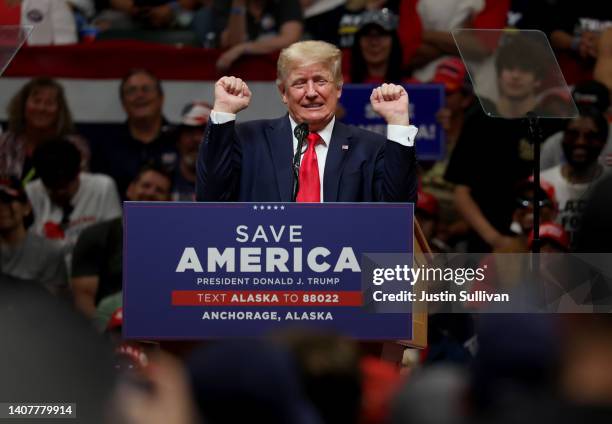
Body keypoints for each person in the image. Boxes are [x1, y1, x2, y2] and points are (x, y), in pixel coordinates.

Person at [197, 40, 418, 203]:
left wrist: (398, 122)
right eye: (300, 83)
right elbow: (210, 197)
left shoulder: (371, 148)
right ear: (283, 92)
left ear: (338, 88)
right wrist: (224, 112)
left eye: (320, 81)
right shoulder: (247, 140)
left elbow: (399, 212)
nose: (311, 92)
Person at [72, 164, 172, 319]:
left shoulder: (176, 240)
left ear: (169, 201)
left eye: (160, 190)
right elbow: (84, 298)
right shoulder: (96, 235)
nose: (151, 193)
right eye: (146, 186)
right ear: (130, 189)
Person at [25, 139, 122, 266]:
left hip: (92, 272)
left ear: (78, 172)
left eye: (65, 185)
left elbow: (115, 243)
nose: (60, 192)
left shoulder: (102, 187)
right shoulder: (32, 192)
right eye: (53, 187)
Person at [89, 68, 178, 197]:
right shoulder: (106, 145)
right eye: (131, 91)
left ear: (161, 98)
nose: (139, 95)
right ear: (123, 102)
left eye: (146, 89)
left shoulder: (178, 140)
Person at [541, 106, 609, 244]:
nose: (580, 142)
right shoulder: (541, 182)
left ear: (603, 141)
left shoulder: (608, 185)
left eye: (591, 136)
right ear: (563, 137)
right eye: (573, 134)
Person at [0, 77, 89, 182]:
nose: (42, 108)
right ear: (22, 106)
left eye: (49, 103)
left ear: (59, 111)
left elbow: (81, 191)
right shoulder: (6, 142)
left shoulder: (75, 146)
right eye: (36, 101)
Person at [0, 177, 68, 292]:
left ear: (26, 207)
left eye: (7, 200)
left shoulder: (50, 252)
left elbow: (54, 303)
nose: (1, 207)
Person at [213, 0, 303, 71]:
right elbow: (234, 43)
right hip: (241, 75)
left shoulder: (287, 2)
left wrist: (243, 48)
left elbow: (289, 39)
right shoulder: (228, 3)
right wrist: (239, 3)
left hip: (278, 74)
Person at [349, 8, 403, 84]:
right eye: (367, 34)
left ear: (394, 41)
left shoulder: (414, 87)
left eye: (382, 34)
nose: (374, 43)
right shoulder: (340, 87)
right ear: (357, 42)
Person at [173, 101, 210, 201]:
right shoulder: (162, 180)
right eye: (189, 131)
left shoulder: (231, 184)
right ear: (178, 140)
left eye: (205, 131)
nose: (196, 139)